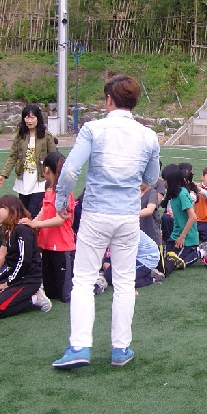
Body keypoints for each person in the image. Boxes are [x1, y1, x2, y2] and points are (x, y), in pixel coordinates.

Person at [52, 74, 161, 369]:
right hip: (127, 216)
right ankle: (120, 349)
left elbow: (70, 170)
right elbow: (151, 177)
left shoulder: (93, 129)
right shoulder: (148, 136)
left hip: (97, 213)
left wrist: (62, 201)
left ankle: (79, 346)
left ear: (109, 100)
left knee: (83, 280)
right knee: (124, 282)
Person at [0, 195, 50, 318]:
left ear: (10, 209)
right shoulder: (9, 230)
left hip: (27, 280)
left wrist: (8, 282)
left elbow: (24, 261)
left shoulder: (22, 230)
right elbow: (11, 262)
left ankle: (35, 299)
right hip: (16, 278)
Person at [19, 152, 75, 303]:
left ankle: (96, 285)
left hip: (62, 246)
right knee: (51, 292)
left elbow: (59, 220)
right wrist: (31, 222)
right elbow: (44, 210)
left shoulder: (65, 193)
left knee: (66, 295)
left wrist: (35, 224)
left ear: (46, 169)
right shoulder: (50, 191)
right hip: (47, 245)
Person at [0, 104, 56, 217]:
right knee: (23, 212)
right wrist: (3, 175)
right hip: (23, 179)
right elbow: (13, 156)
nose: (29, 120)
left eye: (32, 117)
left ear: (38, 118)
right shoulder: (20, 136)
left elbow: (54, 157)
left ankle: (34, 228)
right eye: (27, 117)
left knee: (33, 211)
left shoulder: (46, 136)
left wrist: (54, 178)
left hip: (40, 180)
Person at [161, 163, 207, 269]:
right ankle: (191, 250)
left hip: (187, 237)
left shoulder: (182, 194)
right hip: (176, 235)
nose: (163, 182)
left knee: (176, 263)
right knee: (165, 259)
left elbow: (193, 217)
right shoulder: (173, 194)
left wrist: (182, 237)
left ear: (171, 180)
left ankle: (201, 251)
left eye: (165, 180)